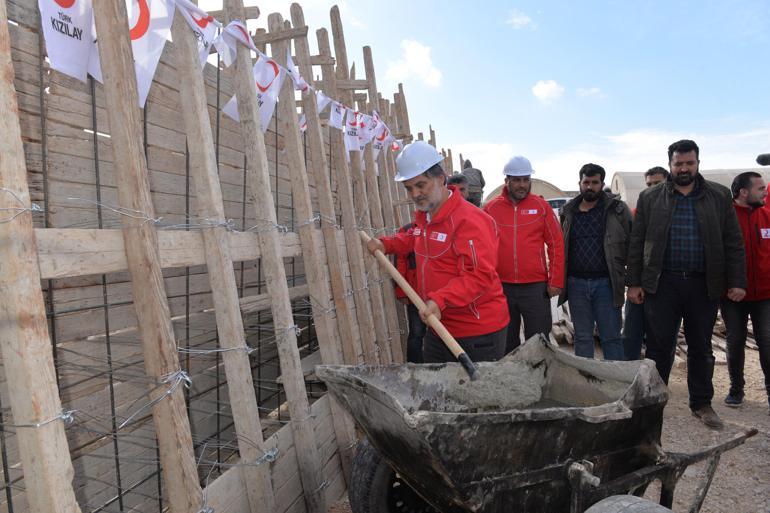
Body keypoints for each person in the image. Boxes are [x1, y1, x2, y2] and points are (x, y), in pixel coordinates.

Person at [627, 139, 746, 429]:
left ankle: (702, 404)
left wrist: (737, 281)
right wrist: (634, 282)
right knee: (658, 347)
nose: (683, 168)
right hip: (662, 284)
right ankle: (652, 404)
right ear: (670, 165)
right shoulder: (651, 197)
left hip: (703, 285)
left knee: (701, 347)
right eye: (678, 163)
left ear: (697, 163)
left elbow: (733, 242)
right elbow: (637, 241)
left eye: (689, 163)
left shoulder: (718, 197)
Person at [366, 141, 509, 363]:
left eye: (421, 185)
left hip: (476, 332)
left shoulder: (470, 221)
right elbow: (413, 238)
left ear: (441, 178)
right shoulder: (427, 216)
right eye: (409, 188)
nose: (415, 194)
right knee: (439, 393)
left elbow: (478, 275)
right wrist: (386, 244)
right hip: (437, 325)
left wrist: (439, 300)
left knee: (475, 396)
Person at [483, 156, 564, 353]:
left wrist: (556, 280)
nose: (522, 185)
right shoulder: (491, 209)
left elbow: (556, 244)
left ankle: (539, 382)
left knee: (539, 342)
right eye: (517, 180)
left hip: (535, 288)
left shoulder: (541, 207)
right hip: (502, 288)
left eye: (526, 179)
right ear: (507, 181)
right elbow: (481, 246)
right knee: (506, 342)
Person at [559, 163, 631, 361]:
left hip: (606, 283)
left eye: (595, 182)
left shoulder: (617, 210)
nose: (590, 187)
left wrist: (633, 280)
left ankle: (614, 384)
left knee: (611, 338)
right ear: (580, 183)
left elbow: (633, 245)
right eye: (586, 182)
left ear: (602, 183)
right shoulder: (568, 211)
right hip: (576, 285)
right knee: (582, 337)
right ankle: (587, 385)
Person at [721, 172, 770, 410]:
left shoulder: (767, 216)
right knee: (736, 341)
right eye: (760, 188)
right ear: (743, 192)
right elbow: (719, 256)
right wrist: (728, 285)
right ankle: (736, 390)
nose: (765, 192)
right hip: (733, 296)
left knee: (768, 342)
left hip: (765, 295)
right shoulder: (726, 218)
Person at [623, 166, 670, 360]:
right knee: (631, 333)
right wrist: (634, 282)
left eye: (657, 184)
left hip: (665, 285)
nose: (652, 188)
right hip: (640, 283)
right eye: (649, 184)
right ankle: (630, 375)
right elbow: (634, 249)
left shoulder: (675, 211)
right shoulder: (638, 211)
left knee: (660, 337)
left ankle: (655, 378)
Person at [393, 222, 426, 363]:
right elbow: (400, 263)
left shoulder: (447, 225)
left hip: (442, 294)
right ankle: (413, 368)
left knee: (443, 335)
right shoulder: (408, 230)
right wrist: (402, 292)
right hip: (416, 293)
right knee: (417, 333)